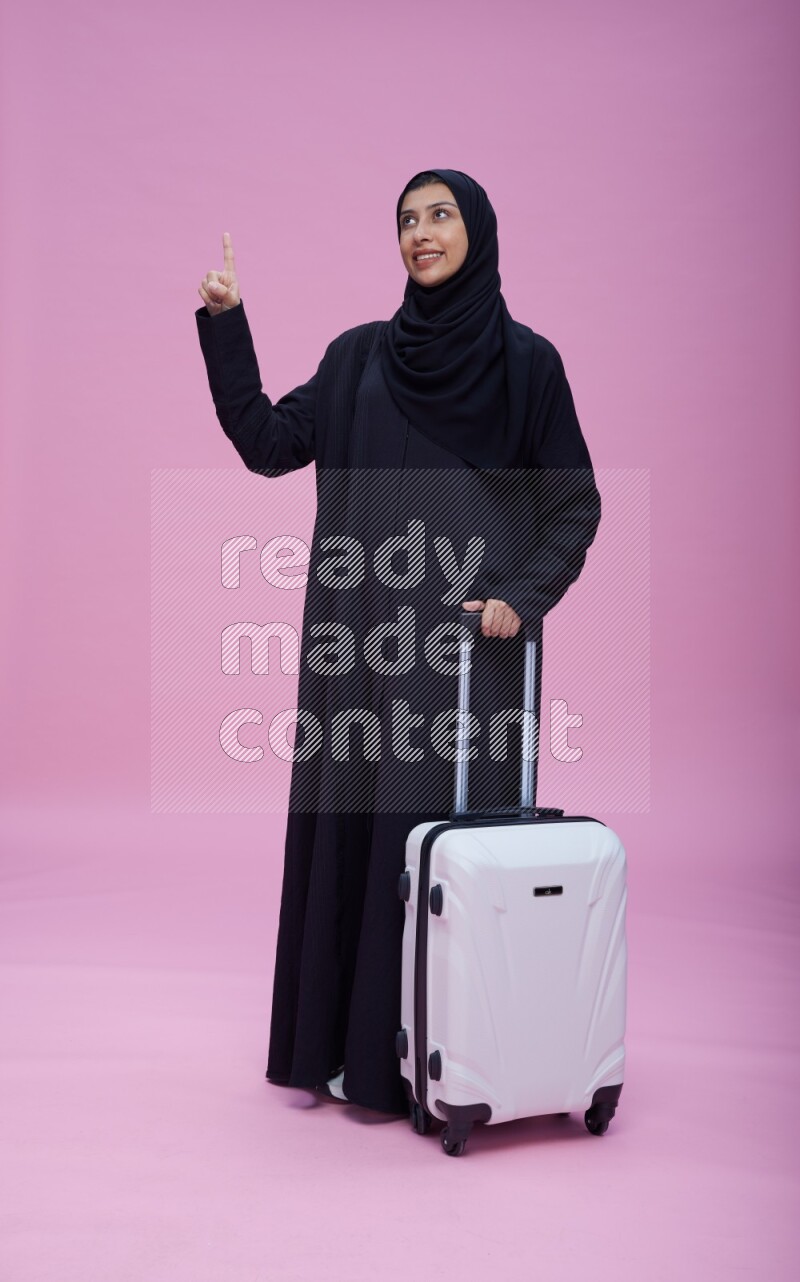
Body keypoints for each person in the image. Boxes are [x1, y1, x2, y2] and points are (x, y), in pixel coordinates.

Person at [195, 168, 602, 1116]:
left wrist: (520, 595)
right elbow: (265, 441)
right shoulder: (356, 359)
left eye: (441, 215)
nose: (422, 233)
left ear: (479, 230)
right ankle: (346, 1056)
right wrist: (227, 324)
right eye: (407, 220)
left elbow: (573, 504)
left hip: (463, 665)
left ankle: (453, 1064)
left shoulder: (527, 365)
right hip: (358, 657)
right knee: (351, 844)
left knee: (433, 858)